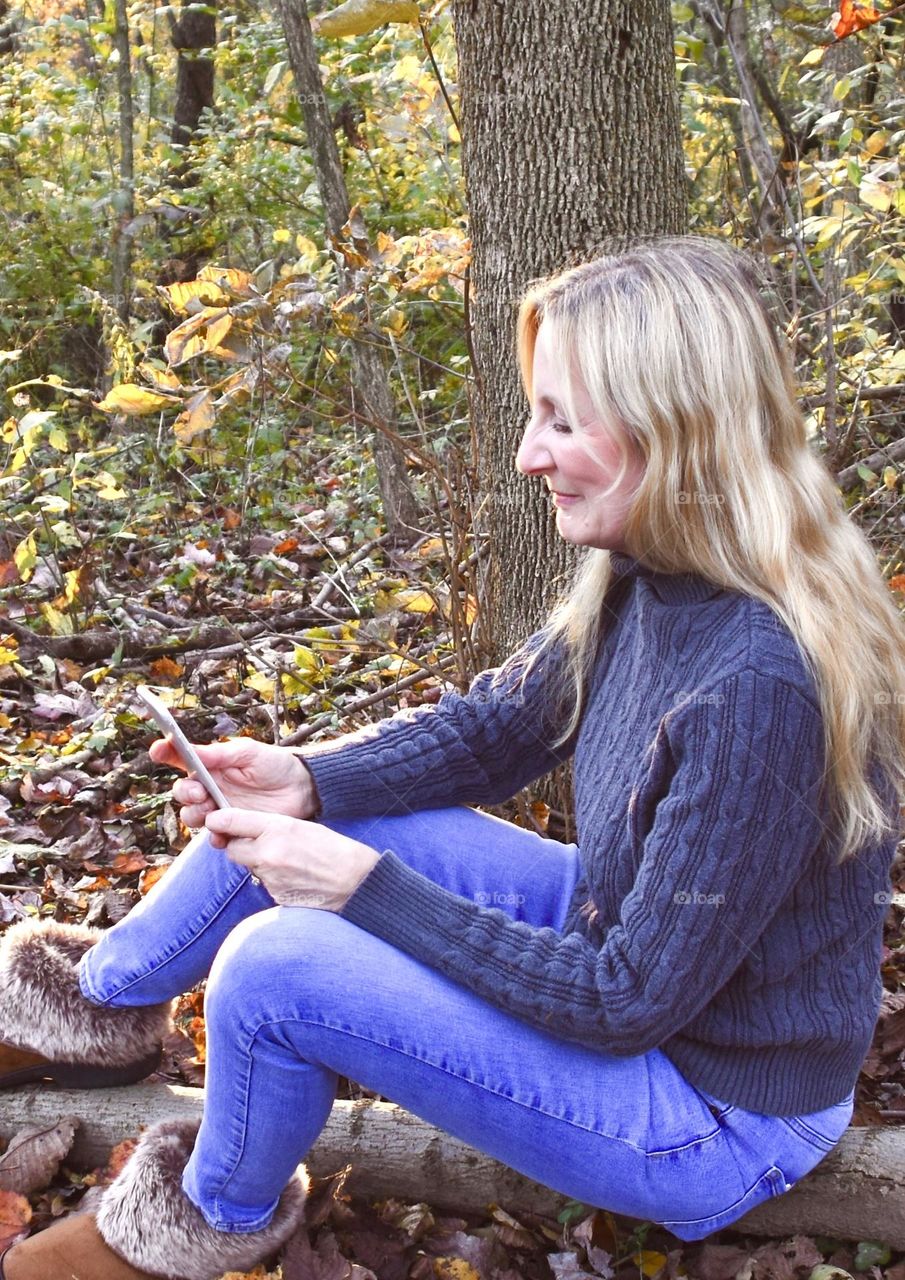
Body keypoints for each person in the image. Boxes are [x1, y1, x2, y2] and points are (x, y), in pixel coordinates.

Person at [1, 234, 903, 1280]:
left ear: (676, 428)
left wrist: (363, 892)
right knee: (324, 817)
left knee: (276, 967)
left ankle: (189, 1223)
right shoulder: (650, 568)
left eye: (562, 420)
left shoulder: (756, 683)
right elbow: (494, 730)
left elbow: (624, 1001)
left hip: (712, 1109)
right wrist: (309, 778)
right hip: (642, 966)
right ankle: (83, 1011)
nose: (528, 453)